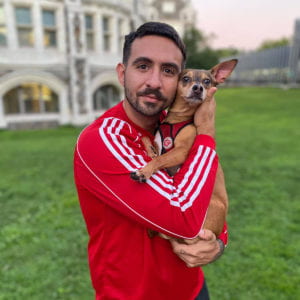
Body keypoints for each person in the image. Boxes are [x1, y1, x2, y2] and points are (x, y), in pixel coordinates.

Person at [74, 22, 228, 300]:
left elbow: (211, 189)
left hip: (192, 288)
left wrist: (218, 241)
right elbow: (183, 219)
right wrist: (206, 133)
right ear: (122, 73)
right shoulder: (102, 140)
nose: (155, 82)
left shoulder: (174, 127)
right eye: (142, 66)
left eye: (168, 71)